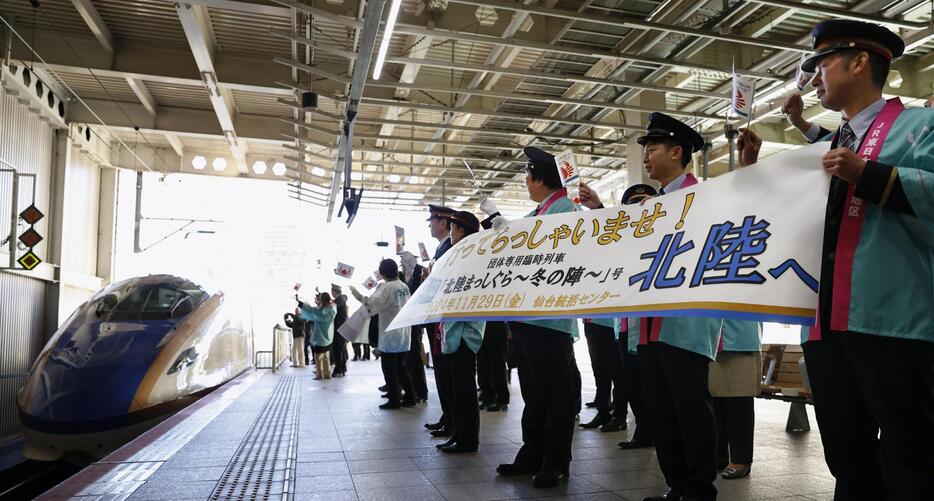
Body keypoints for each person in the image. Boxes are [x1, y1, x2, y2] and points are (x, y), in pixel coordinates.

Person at [739, 20, 934, 500]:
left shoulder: (920, 126)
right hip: (823, 323)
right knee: (846, 456)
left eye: (821, 62)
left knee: (914, 454)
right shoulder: (826, 148)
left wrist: (870, 175)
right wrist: (752, 176)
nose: (814, 75)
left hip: (893, 319)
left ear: (860, 61)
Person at [632, 113, 721, 501]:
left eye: (652, 148)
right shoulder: (655, 204)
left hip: (685, 323)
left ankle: (700, 489)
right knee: (662, 411)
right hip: (651, 324)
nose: (646, 155)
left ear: (677, 151)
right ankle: (677, 485)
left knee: (691, 410)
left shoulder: (701, 197)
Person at [493, 146, 582, 489]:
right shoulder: (540, 212)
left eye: (528, 176)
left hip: (550, 320)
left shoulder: (565, 211)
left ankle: (556, 461)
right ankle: (533, 452)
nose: (526, 182)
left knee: (556, 395)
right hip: (529, 318)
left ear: (540, 179)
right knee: (534, 393)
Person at [580, 183, 658, 450]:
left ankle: (649, 430)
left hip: (652, 325)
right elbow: (613, 236)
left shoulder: (659, 234)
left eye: (643, 204)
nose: (638, 210)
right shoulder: (625, 238)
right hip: (624, 324)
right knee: (630, 381)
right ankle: (644, 432)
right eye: (632, 206)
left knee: (649, 385)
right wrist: (599, 209)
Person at [435, 210, 485, 453]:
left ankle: (467, 439)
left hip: (465, 333)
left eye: (453, 229)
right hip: (454, 332)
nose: (451, 233)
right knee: (457, 389)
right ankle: (459, 434)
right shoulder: (460, 255)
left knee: (465, 390)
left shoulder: (473, 256)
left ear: (462, 231)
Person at [351, 259, 417, 409]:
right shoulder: (404, 286)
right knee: (401, 366)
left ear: (382, 272)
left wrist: (358, 296)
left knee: (389, 368)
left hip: (389, 333)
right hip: (404, 332)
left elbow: (373, 305)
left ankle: (394, 399)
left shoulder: (387, 288)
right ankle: (410, 397)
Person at [710, 320, 761, 480]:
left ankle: (741, 459)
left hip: (740, 335)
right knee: (716, 400)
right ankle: (719, 455)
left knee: (739, 398)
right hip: (713, 336)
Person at [423, 204, 458, 435]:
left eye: (432, 220)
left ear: (443, 223)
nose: (430, 225)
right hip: (436, 316)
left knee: (448, 373)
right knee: (442, 372)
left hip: (444, 317)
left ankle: (453, 420)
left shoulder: (451, 248)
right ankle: (448, 416)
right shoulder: (441, 248)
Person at [476, 213, 510, 412]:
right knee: (483, 359)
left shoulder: (502, 260)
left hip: (496, 317)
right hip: (482, 316)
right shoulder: (482, 259)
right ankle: (487, 393)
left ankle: (501, 397)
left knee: (497, 360)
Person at [401, 251, 429, 403]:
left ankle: (420, 391)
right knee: (410, 360)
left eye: (405, 262)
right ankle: (415, 390)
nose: (404, 265)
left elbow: (414, 294)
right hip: (409, 325)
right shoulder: (410, 278)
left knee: (415, 360)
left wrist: (416, 266)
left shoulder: (417, 274)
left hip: (414, 326)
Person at [299, 292, 337, 380]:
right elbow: (330, 303)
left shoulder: (320, 312)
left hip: (320, 339)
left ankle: (319, 375)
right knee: (326, 357)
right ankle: (327, 374)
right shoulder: (333, 309)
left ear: (321, 300)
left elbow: (310, 310)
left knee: (318, 358)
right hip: (329, 338)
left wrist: (300, 303)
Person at [330, 284, 349, 377]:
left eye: (332, 291)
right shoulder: (341, 299)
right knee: (341, 349)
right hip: (341, 328)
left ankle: (339, 369)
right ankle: (342, 367)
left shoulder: (340, 299)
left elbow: (333, 310)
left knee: (337, 349)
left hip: (339, 329)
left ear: (334, 291)